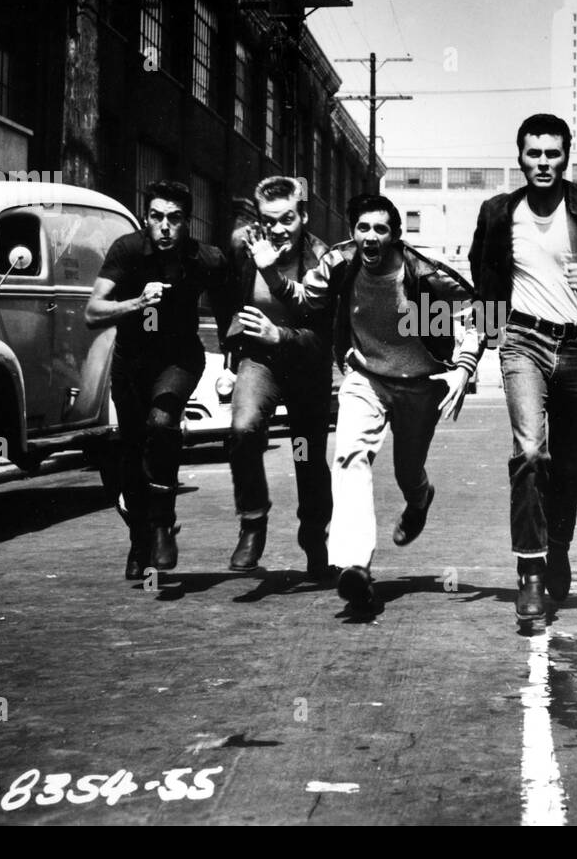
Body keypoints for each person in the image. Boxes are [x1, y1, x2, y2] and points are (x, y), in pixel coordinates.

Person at [250, 193, 483, 618]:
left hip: (419, 383)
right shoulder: (341, 263)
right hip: (366, 378)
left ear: (395, 235)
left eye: (380, 229)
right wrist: (269, 270)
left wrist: (464, 368)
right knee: (350, 457)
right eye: (363, 228)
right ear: (353, 233)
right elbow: (307, 302)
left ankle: (419, 498)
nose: (370, 237)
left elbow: (483, 312)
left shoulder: (425, 273)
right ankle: (355, 565)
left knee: (407, 471)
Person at [470, 113, 577, 622]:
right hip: (522, 339)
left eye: (553, 154)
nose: (543, 163)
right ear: (519, 156)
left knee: (567, 463)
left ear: (567, 156)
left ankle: (559, 544)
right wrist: (482, 340)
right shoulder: (498, 211)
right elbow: (484, 276)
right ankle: (530, 570)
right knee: (529, 453)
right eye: (534, 154)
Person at [87, 180, 230, 580]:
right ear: (146, 218)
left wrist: (234, 354)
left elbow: (227, 307)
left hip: (180, 359)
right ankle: (140, 540)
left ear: (187, 222)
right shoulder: (128, 250)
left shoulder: (206, 258)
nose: (165, 227)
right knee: (130, 456)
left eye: (175, 219)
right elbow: (92, 312)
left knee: (163, 423)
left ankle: (164, 523)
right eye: (157, 217)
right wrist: (137, 302)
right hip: (131, 363)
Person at [225, 177, 334, 581]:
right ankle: (253, 520)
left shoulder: (322, 258)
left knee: (306, 457)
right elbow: (226, 294)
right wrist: (230, 340)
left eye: (288, 218)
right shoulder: (243, 246)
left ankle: (314, 540)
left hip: (306, 364)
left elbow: (323, 336)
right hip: (261, 360)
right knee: (243, 428)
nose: (280, 228)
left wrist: (281, 334)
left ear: (302, 215)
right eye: (271, 220)